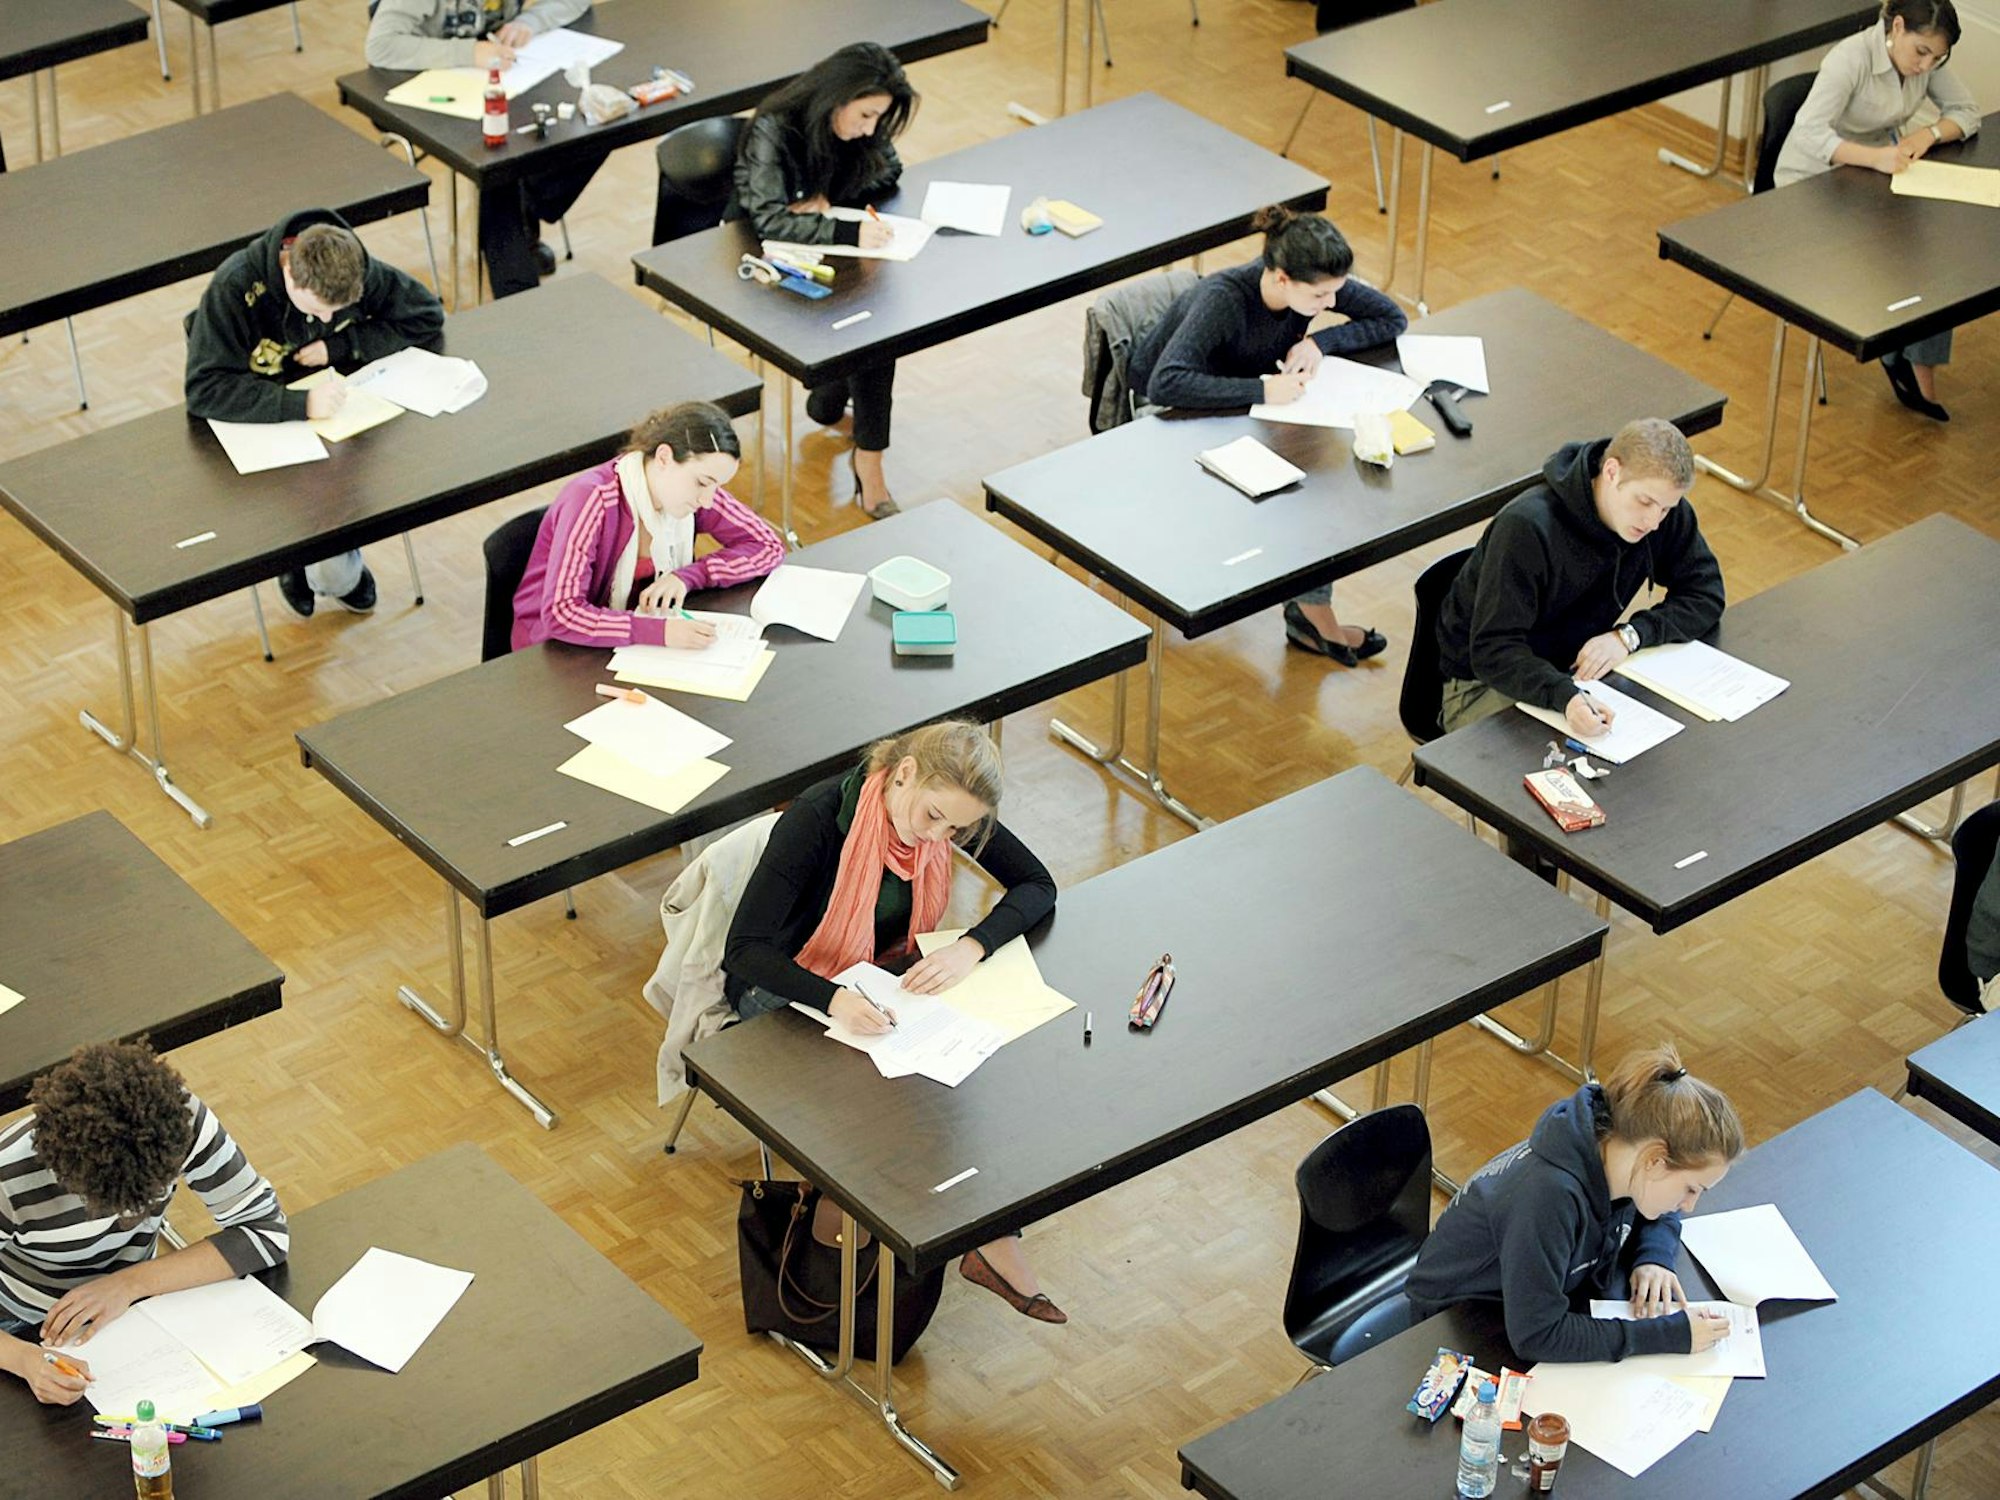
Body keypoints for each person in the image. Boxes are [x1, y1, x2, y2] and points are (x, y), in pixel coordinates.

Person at [722, 721, 1066, 1323]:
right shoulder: (817, 819)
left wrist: (971, 946)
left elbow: (1038, 884)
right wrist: (833, 999)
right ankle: (974, 1237)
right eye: (935, 818)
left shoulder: (946, 811)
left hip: (884, 984)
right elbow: (746, 951)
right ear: (903, 773)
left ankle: (977, 1232)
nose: (943, 837)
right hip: (789, 991)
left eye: (958, 830)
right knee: (896, 1097)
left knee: (974, 1076)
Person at [1129, 205, 1407, 667]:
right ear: (1280, 279)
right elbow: (1166, 382)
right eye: (1320, 297)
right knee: (1297, 492)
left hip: (1244, 410)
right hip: (1176, 418)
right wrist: (1262, 389)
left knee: (1320, 486)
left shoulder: (1312, 284)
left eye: (1334, 293)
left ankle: (1310, 608)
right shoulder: (1223, 299)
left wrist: (1321, 341)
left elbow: (1391, 318)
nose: (1331, 305)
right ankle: (1307, 609)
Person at [1404, 1043, 1744, 1363]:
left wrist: (1654, 1256)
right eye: (1691, 1189)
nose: (1689, 1206)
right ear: (1656, 1160)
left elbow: (1655, 1213)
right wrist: (1669, 1335)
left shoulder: (1620, 1149)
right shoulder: (1548, 1198)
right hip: (1460, 1324)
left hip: (1530, 1299)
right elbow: (1538, 1334)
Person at [184, 209, 445, 619]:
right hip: (266, 414)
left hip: (339, 409)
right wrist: (299, 406)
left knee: (355, 484)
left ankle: (329, 567)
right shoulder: (234, 286)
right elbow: (204, 388)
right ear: (289, 275)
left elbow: (426, 315)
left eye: (338, 312)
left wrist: (343, 346)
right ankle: (299, 559)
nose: (326, 321)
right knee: (304, 502)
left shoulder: (352, 265)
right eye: (318, 309)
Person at [1, 1041, 289, 1406]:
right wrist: (22, 1359)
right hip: (25, 1327)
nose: (129, 1219)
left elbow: (265, 1230)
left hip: (137, 1310)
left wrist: (127, 1284)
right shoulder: (7, 1177)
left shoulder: (176, 1120)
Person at [1435, 417, 1724, 741]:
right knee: (1567, 784)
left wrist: (1629, 636)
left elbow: (1706, 592)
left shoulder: (1659, 513)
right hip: (1484, 685)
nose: (1654, 522)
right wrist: (1565, 697)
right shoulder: (1526, 528)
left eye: (1666, 509)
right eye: (1644, 502)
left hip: (1576, 671)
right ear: (1612, 471)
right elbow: (1493, 650)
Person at [725, 43, 917, 520]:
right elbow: (769, 220)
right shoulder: (773, 129)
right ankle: (862, 453)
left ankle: (856, 438)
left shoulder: (861, 129)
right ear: (838, 98)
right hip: (764, 270)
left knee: (876, 326)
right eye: (866, 115)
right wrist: (846, 226)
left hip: (828, 255)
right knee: (867, 330)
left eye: (879, 118)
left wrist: (825, 197)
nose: (871, 129)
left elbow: (890, 170)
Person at [1774, 0, 1980, 421]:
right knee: (1894, 250)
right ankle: (1894, 348)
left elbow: (1966, 112)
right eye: (1921, 52)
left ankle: (1915, 359)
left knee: (1938, 250)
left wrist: (1928, 133)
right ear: (1898, 27)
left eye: (1937, 58)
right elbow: (1809, 133)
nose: (1926, 66)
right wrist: (1875, 158)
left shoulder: (1928, 63)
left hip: (1874, 176)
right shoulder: (1849, 59)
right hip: (1813, 180)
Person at [365, 0, 608, 298]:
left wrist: (529, 22)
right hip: (424, 85)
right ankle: (518, 300)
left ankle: (525, 207)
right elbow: (380, 46)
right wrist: (468, 52)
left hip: (500, 78)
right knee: (499, 161)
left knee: (594, 126)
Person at [511, 401, 784, 651]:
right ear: (664, 457)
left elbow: (768, 546)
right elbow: (562, 613)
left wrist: (689, 575)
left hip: (632, 641)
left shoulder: (693, 494)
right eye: (702, 482)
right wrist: (657, 631)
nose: (708, 500)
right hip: (557, 651)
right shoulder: (592, 498)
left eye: (717, 486)